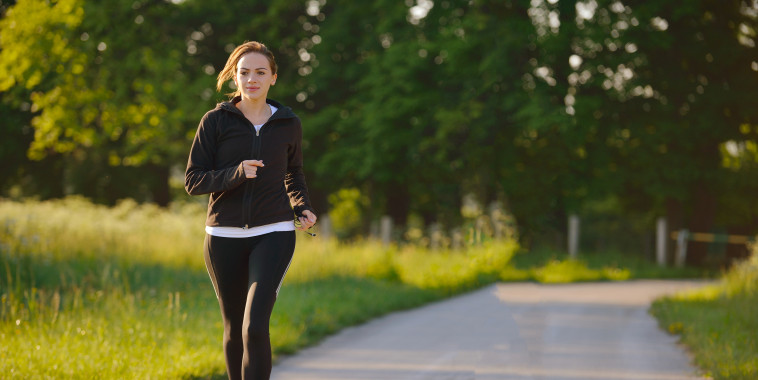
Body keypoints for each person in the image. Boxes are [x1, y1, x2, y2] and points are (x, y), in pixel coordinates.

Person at [185, 41, 317, 380]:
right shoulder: (215, 121)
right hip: (223, 235)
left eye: (260, 72)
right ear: (234, 77)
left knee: (254, 327)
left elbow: (294, 173)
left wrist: (301, 206)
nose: (251, 79)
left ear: (273, 77)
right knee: (233, 331)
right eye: (244, 72)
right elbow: (193, 180)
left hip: (273, 233)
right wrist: (235, 173)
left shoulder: (288, 123)